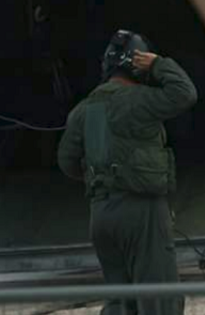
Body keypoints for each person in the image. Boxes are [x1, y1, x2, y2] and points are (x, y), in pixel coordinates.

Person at [57, 30, 197, 315]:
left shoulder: (83, 110)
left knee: (120, 302)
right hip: (141, 212)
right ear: (138, 66)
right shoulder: (140, 100)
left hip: (102, 215)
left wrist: (102, 176)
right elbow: (185, 93)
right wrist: (158, 64)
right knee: (159, 300)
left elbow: (66, 161)